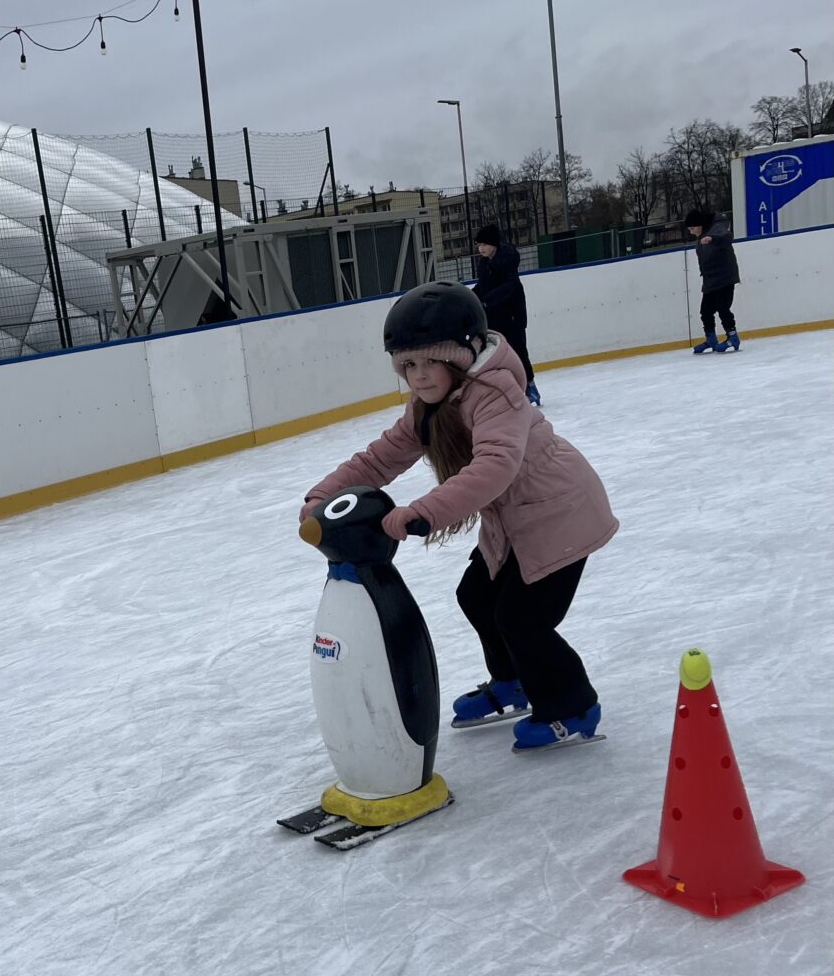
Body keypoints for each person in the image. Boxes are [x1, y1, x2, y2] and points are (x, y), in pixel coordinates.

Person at [299, 281, 618, 751]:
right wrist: (323, 496)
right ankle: (513, 681)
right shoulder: (427, 407)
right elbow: (379, 459)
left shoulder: (496, 394)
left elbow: (495, 466)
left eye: (432, 361)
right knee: (476, 594)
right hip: (515, 521)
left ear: (465, 354)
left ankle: (574, 706)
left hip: (559, 513)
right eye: (408, 365)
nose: (420, 376)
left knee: (523, 619)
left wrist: (423, 512)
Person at [471, 223, 542, 407]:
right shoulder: (484, 263)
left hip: (512, 314)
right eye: (479, 245)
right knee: (496, 353)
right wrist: (471, 296)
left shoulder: (507, 260)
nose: (481, 249)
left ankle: (531, 387)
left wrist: (487, 301)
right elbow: (483, 285)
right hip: (494, 315)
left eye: (484, 244)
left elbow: (509, 287)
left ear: (493, 244)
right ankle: (507, 389)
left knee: (518, 350)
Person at [684, 209, 741, 354]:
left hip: (725, 277)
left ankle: (733, 337)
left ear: (699, 224)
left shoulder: (717, 228)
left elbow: (727, 238)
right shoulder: (702, 234)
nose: (691, 232)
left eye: (692, 228)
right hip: (710, 280)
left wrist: (712, 239)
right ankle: (711, 339)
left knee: (723, 308)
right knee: (705, 311)